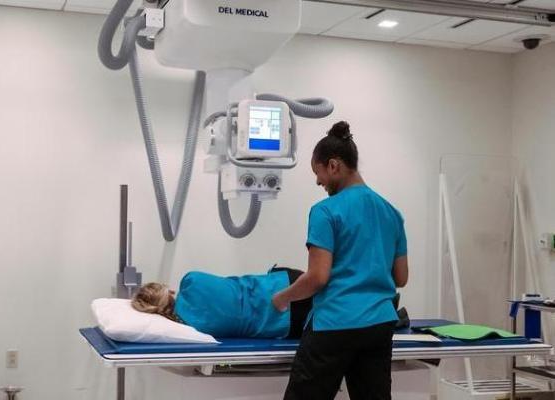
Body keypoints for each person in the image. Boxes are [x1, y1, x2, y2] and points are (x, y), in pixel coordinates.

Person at [272, 121, 409, 400]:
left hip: (336, 323)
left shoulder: (326, 211)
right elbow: (401, 278)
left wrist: (283, 297)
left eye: (318, 172)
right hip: (379, 325)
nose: (318, 181)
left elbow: (317, 277)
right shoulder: (391, 213)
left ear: (333, 166)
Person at [132, 267, 313, 339]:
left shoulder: (188, 329)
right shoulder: (191, 280)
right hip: (282, 285)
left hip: (286, 325)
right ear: (168, 290)